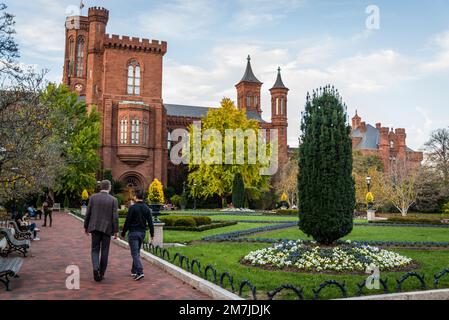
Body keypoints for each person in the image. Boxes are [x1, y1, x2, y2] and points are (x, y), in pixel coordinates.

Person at [84, 180, 119, 282]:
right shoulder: (113, 200)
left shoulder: (93, 197)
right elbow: (115, 217)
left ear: (100, 187)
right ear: (109, 187)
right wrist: (116, 230)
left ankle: (95, 268)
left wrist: (86, 226)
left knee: (94, 249)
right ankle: (101, 273)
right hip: (107, 229)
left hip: (94, 227)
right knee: (105, 250)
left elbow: (88, 213)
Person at [121, 190, 154, 281]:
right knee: (137, 252)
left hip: (133, 233)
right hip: (142, 233)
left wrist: (123, 233)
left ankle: (140, 271)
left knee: (134, 253)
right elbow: (150, 222)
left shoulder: (132, 208)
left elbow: (127, 222)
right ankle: (134, 270)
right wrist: (152, 234)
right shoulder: (146, 208)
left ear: (136, 197)